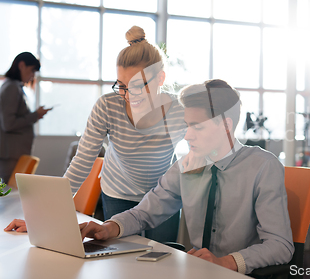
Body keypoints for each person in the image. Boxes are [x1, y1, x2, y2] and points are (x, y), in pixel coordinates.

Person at [74, 79, 294, 274]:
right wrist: (108, 227)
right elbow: (145, 213)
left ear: (225, 125)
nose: (187, 135)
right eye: (187, 125)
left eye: (197, 127)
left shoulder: (263, 166)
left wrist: (226, 262)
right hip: (196, 270)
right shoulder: (187, 165)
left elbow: (280, 245)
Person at [5, 26, 185, 243]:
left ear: (160, 79)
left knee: (163, 261)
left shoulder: (180, 109)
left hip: (163, 197)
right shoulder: (108, 106)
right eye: (121, 86)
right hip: (119, 193)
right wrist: (43, 218)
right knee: (123, 261)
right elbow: (81, 162)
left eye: (137, 86)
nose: (128, 96)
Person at [0, 52, 51, 183]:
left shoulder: (13, 87)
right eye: (32, 70)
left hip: (13, 155)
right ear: (21, 65)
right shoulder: (11, 88)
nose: (32, 76)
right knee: (9, 195)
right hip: (10, 156)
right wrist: (35, 115)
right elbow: (8, 124)